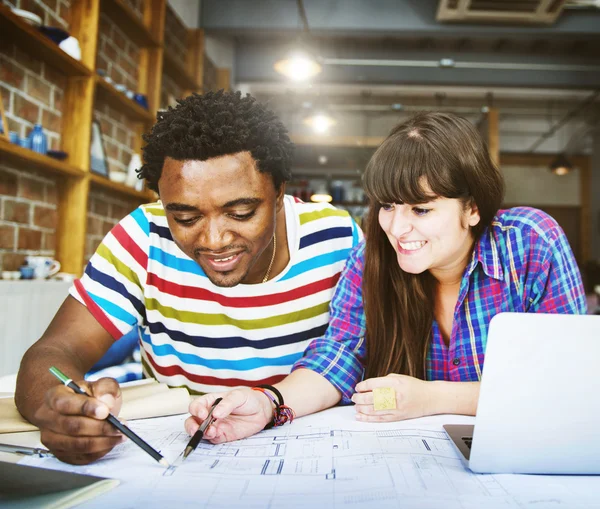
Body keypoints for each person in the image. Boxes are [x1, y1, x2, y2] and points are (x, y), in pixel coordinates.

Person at [186, 111, 586, 443]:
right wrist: (268, 404)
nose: (397, 228)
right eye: (388, 206)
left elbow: (567, 384)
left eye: (421, 210)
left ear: (473, 209)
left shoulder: (530, 244)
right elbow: (339, 356)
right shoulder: (373, 255)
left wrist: (430, 397)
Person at [15, 90, 362, 464]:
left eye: (241, 212)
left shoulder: (336, 239)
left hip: (310, 447)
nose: (214, 241)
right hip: (179, 451)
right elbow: (52, 352)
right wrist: (60, 408)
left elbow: (367, 354)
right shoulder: (143, 237)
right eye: (185, 218)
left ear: (279, 193)